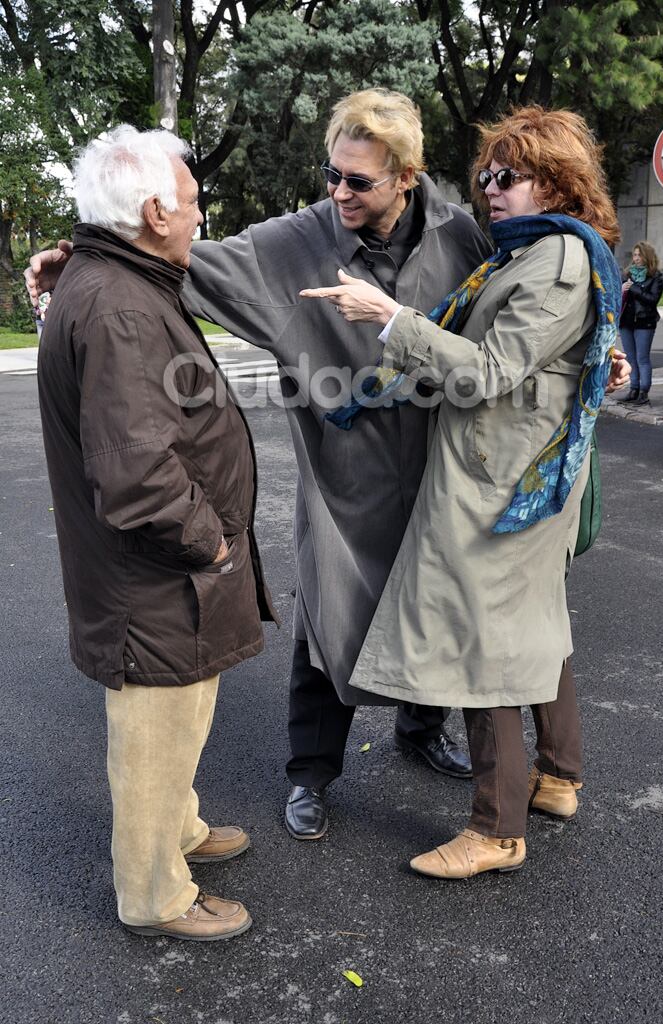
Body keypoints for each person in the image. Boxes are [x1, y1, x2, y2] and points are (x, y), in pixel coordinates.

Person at [27, 89, 488, 843]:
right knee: (328, 619)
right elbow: (184, 256)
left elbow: (501, 313)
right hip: (344, 471)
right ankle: (310, 773)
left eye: (358, 181)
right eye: (331, 174)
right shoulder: (299, 241)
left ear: (406, 176)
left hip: (439, 462)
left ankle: (419, 726)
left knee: (429, 601)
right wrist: (84, 252)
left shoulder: (456, 234)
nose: (337, 191)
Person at [301, 105, 626, 878]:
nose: (488, 189)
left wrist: (393, 319)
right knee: (535, 626)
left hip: (500, 482)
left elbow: (485, 373)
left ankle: (495, 828)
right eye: (484, 175)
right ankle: (557, 777)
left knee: (488, 647)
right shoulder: (536, 251)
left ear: (554, 180)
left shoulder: (554, 260)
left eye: (505, 176)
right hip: (516, 474)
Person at [37, 126, 278, 940]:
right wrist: (209, 542)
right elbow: (138, 476)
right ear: (152, 211)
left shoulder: (116, 278)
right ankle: (153, 895)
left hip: (158, 578)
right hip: (155, 580)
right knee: (153, 734)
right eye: (193, 202)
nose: (200, 216)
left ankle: (180, 833)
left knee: (181, 719)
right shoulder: (120, 307)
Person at [618, 241, 663, 406]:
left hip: (645, 322)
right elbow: (620, 296)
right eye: (634, 255)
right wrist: (623, 288)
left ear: (647, 257)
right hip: (626, 322)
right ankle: (634, 389)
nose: (636, 258)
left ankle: (644, 392)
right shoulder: (627, 274)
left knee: (642, 358)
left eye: (639, 255)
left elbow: (652, 300)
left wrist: (635, 289)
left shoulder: (656, 277)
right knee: (630, 357)